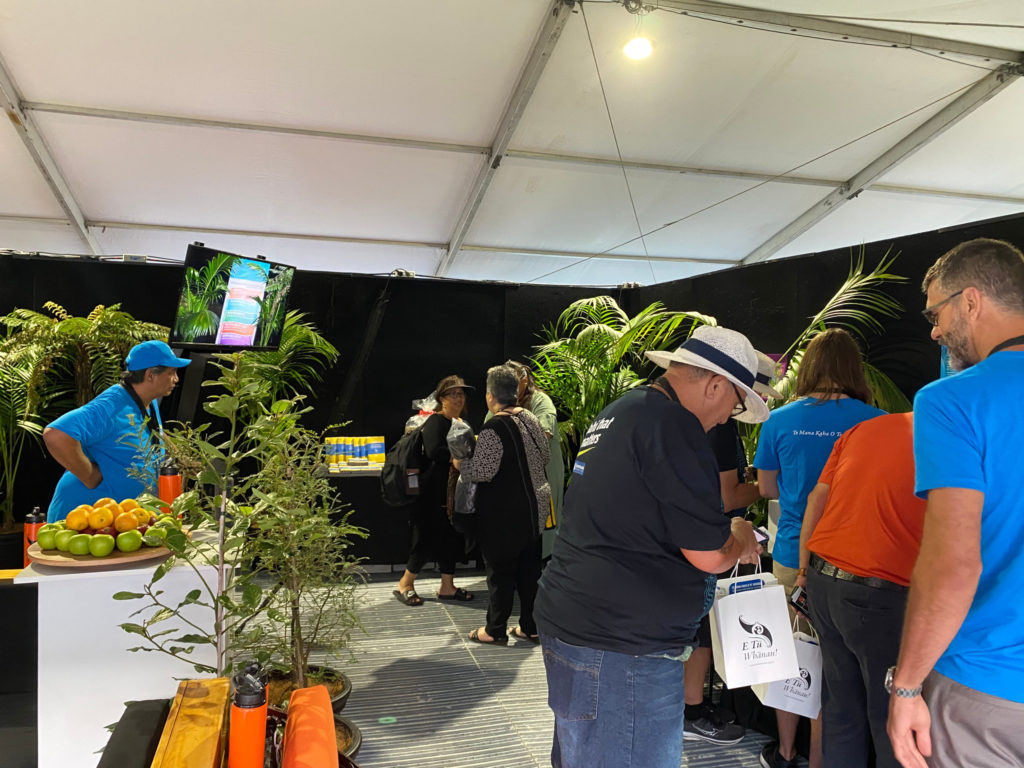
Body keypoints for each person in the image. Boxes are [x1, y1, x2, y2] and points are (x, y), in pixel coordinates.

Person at [534, 325, 766, 768]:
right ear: (716, 384)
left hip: (582, 624)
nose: (724, 420)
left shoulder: (626, 409)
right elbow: (711, 555)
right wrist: (738, 535)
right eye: (734, 406)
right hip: (623, 650)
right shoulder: (675, 425)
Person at [887, 238, 1024, 768]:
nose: (934, 331)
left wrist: (905, 688)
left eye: (935, 312)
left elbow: (952, 565)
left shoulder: (950, 399)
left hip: (986, 689)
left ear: (971, 300)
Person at [753, 327, 885, 768]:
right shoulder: (874, 421)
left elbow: (768, 487)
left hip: (792, 554)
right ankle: (821, 759)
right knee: (835, 671)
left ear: (808, 367)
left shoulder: (779, 419)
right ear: (854, 369)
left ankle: (785, 752)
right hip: (853, 560)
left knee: (790, 658)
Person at [793, 412, 925, 768]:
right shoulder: (954, 436)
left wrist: (804, 571)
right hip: (882, 591)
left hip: (825, 578)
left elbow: (816, 501)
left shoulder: (862, 430)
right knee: (891, 717)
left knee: (840, 707)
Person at [683, 351, 781, 746]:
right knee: (704, 633)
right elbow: (726, 498)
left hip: (715, 536)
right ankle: (691, 710)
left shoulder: (717, 426)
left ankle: (693, 705)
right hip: (717, 539)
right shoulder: (721, 430)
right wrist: (768, 486)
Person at [43, 340, 190, 524]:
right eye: (172, 373)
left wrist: (181, 457)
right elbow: (55, 435)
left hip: (120, 524)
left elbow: (152, 432)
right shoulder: (111, 406)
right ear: (150, 375)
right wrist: (89, 475)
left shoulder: (147, 401)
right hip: (83, 523)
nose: (176, 379)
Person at [458, 365, 550, 644]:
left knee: (500, 573)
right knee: (529, 571)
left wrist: (460, 463)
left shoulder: (494, 426)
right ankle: (530, 626)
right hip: (535, 507)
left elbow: (482, 471)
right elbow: (544, 455)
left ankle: (495, 630)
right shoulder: (531, 418)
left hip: (505, 513)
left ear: (490, 395)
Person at [393, 375, 475, 606]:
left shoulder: (460, 424)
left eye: (461, 394)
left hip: (449, 495)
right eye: (453, 394)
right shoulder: (437, 422)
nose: (459, 398)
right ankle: (405, 583)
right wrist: (455, 457)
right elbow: (433, 452)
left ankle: (447, 586)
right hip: (430, 494)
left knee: (450, 538)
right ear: (442, 399)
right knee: (425, 538)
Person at [492, 360, 564, 551]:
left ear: (524, 379)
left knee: (543, 526)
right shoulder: (500, 403)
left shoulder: (540, 400)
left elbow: (543, 432)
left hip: (542, 474)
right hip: (514, 478)